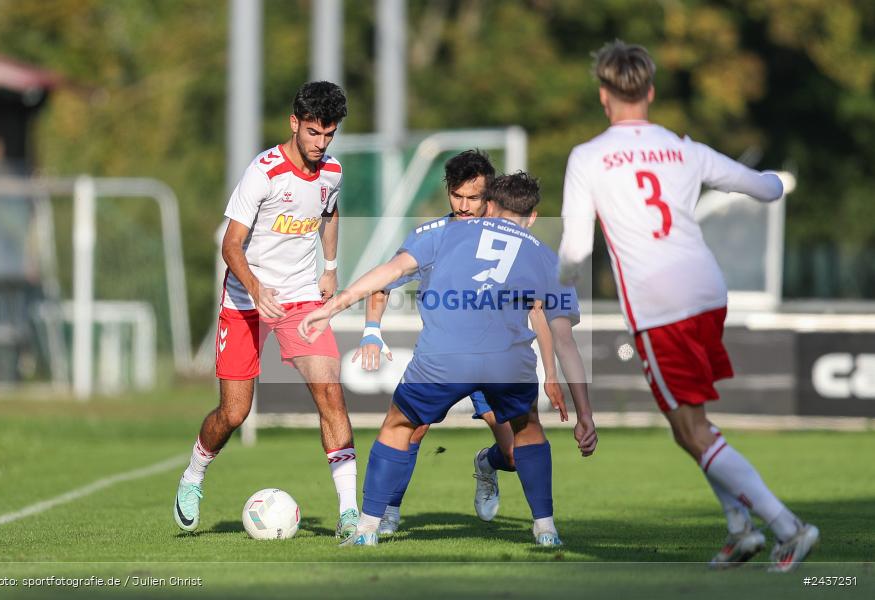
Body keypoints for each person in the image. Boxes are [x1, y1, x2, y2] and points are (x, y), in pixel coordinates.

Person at [557, 40, 818, 571]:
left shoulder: (588, 157)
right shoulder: (684, 149)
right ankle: (740, 530)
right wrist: (779, 180)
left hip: (660, 306)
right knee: (689, 425)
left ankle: (789, 528)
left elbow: (578, 250)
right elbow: (765, 190)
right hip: (707, 292)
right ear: (649, 92)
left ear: (605, 95)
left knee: (690, 428)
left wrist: (553, 283)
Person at [300, 172, 597, 547]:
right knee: (527, 430)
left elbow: (390, 272)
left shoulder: (443, 232)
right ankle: (546, 529)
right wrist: (585, 413)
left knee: (399, 426)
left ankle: (367, 530)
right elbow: (566, 341)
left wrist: (335, 306)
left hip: (444, 358)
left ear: (489, 206)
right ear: (534, 216)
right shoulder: (547, 258)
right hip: (507, 364)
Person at [173, 81, 360, 541]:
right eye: (314, 132)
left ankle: (351, 513)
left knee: (330, 393)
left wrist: (330, 266)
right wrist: (256, 290)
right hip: (245, 301)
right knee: (233, 414)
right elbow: (230, 244)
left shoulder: (333, 171)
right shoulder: (264, 171)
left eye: (329, 134)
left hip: (299, 299)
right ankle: (194, 473)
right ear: (294, 124)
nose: (321, 144)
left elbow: (330, 212)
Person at [354, 150, 564, 535]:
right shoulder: (435, 237)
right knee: (411, 429)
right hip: (448, 354)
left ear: (491, 198)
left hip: (498, 359)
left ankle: (486, 463)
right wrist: (371, 330)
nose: (465, 207)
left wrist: (551, 368)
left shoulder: (508, 239)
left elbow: (538, 304)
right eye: (457, 196)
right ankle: (387, 512)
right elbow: (383, 279)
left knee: (516, 456)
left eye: (474, 198)